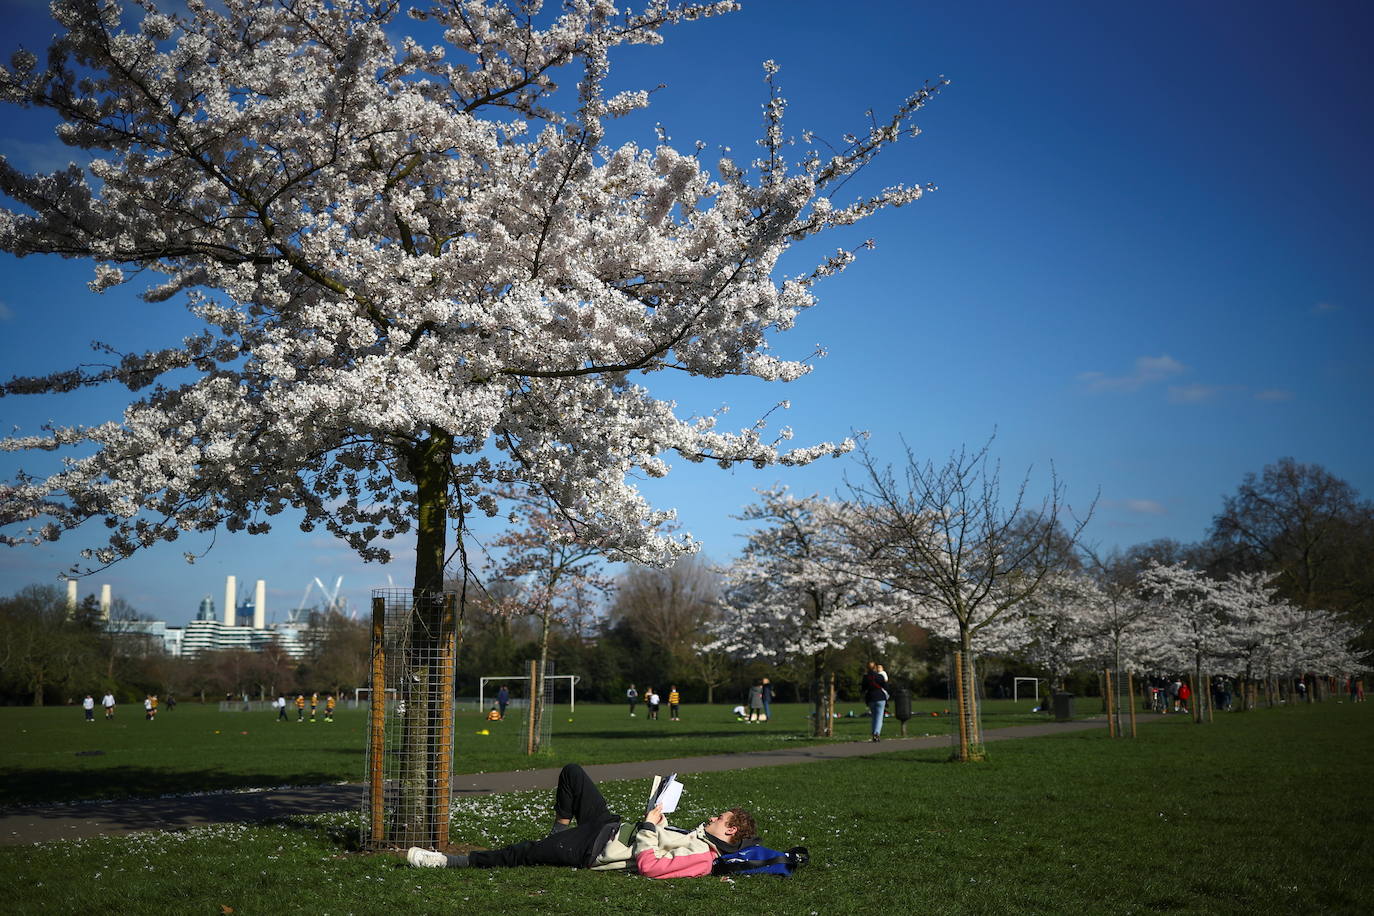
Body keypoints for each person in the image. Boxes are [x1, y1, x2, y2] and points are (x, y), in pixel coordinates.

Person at [405, 763, 758, 878]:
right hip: (609, 826)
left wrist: (650, 826)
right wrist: (659, 821)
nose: (712, 816)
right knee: (573, 773)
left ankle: (450, 861)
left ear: (730, 830)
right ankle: (558, 834)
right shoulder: (702, 839)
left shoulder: (705, 856)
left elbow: (650, 865)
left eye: (720, 817)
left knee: (525, 852)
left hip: (596, 848)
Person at [862, 661, 890, 742]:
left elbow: (863, 688)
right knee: (879, 717)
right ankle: (876, 733)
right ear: (875, 667)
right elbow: (886, 686)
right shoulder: (879, 676)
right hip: (880, 697)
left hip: (871, 698)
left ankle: (874, 732)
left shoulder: (865, 677)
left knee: (874, 717)